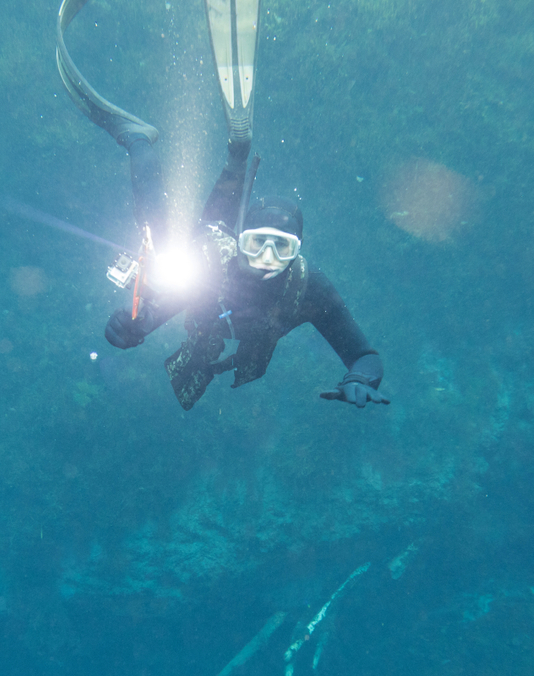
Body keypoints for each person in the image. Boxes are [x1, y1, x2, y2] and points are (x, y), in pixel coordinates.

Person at [56, 0, 388, 411]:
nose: (267, 258)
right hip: (210, 241)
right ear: (241, 239)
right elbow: (166, 305)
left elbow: (363, 355)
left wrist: (359, 378)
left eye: (282, 247)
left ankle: (237, 153)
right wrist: (134, 326)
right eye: (258, 242)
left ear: (298, 252)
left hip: (222, 246)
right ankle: (138, 138)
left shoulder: (308, 288)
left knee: (202, 226)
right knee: (163, 238)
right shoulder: (214, 264)